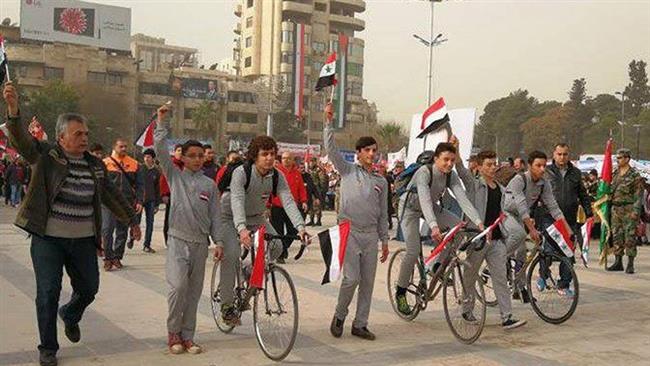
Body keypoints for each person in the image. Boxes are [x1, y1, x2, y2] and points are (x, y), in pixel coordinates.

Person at [3, 82, 141, 366]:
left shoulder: (95, 165)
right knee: (48, 291)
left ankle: (71, 314)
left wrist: (132, 220)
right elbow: (20, 141)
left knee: (89, 288)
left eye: (86, 134)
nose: (84, 138)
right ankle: (48, 348)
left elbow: (110, 195)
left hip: (83, 241)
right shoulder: (46, 157)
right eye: (78, 134)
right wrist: (14, 110)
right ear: (61, 137)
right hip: (48, 239)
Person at [218, 136, 308, 325]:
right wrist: (241, 230)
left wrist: (301, 227)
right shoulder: (242, 173)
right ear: (255, 156)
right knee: (232, 254)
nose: (269, 158)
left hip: (257, 217)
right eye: (264, 154)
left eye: (272, 154)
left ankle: (247, 273)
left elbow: (288, 201)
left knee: (276, 247)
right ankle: (227, 306)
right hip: (230, 217)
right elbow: (236, 200)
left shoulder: (276, 175)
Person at [154, 104, 222, 355]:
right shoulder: (175, 176)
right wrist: (162, 123)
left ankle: (188, 336)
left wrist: (220, 243)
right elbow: (160, 151)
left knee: (193, 293)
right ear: (182, 157)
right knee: (178, 288)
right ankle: (173, 332)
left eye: (200, 155)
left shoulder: (210, 185)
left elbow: (215, 216)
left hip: (200, 244)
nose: (196, 159)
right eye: (191, 155)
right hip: (177, 240)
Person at [394, 141, 483, 317]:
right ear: (436, 159)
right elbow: (425, 199)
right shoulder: (424, 172)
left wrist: (479, 223)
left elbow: (463, 200)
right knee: (412, 252)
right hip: (410, 208)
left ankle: (436, 266)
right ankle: (401, 292)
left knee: (458, 228)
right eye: (445, 160)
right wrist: (434, 226)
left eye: (452, 160)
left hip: (431, 207)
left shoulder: (451, 175)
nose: (449, 164)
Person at [324, 103, 389, 341]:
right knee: (351, 279)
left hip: (371, 235)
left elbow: (383, 212)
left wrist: (384, 241)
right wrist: (328, 123)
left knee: (368, 283)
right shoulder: (347, 170)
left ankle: (360, 324)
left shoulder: (381, 181)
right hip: (349, 231)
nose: (372, 154)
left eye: (375, 151)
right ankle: (340, 315)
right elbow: (330, 149)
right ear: (358, 152)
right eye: (368, 150)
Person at [455, 145, 527, 330]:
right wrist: (456, 152)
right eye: (488, 164)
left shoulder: (501, 189)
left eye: (494, 164)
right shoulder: (474, 185)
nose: (492, 168)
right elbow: (462, 171)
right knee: (470, 276)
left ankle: (507, 316)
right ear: (478, 167)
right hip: (478, 239)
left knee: (500, 278)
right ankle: (467, 310)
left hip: (496, 240)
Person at [502, 151, 571, 300]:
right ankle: (496, 261)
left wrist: (567, 228)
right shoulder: (519, 180)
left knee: (521, 254)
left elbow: (553, 206)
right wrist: (532, 229)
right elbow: (520, 205)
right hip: (507, 213)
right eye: (538, 165)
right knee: (520, 234)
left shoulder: (543, 183)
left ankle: (519, 289)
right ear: (529, 166)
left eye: (544, 166)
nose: (541, 169)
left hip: (522, 216)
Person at [543, 143, 593, 284]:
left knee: (568, 253)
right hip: (550, 217)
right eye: (559, 154)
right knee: (547, 250)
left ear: (568, 155)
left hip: (569, 219)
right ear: (554, 154)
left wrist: (589, 213)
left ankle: (564, 283)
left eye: (565, 154)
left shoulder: (576, 173)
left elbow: (583, 195)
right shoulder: (546, 172)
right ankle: (543, 275)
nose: (562, 157)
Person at [102, 139, 144, 271]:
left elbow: (140, 186)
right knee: (107, 229)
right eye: (121, 146)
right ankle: (107, 258)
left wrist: (139, 201)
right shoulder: (105, 163)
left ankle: (117, 257)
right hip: (108, 203)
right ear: (114, 147)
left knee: (122, 231)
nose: (124, 149)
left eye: (126, 147)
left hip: (126, 202)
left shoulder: (134, 164)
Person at [607, 148, 643, 274]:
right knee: (617, 235)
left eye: (621, 158)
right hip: (616, 209)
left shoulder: (635, 175)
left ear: (627, 159)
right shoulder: (615, 173)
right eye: (617, 158)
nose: (618, 160)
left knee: (630, 236)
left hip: (629, 209)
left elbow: (639, 195)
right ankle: (618, 262)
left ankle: (630, 263)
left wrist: (636, 211)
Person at [270, 151, 308, 263]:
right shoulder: (276, 172)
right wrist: (267, 205)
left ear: (292, 160)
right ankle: (280, 255)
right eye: (284, 158)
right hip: (277, 206)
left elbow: (301, 188)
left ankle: (283, 248)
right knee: (278, 231)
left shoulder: (297, 173)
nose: (286, 160)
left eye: (288, 158)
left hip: (291, 206)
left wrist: (304, 201)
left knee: (293, 230)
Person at [160, 144, 184, 245]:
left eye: (182, 151)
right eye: (178, 150)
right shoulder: (170, 164)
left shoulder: (186, 166)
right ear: (174, 152)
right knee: (170, 217)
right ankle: (168, 239)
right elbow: (163, 179)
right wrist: (164, 194)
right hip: (171, 195)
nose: (180, 153)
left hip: (183, 195)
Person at [142, 149, 162, 253]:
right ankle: (132, 237)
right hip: (140, 200)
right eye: (145, 156)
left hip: (151, 200)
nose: (146, 158)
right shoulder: (139, 169)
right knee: (135, 221)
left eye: (148, 156)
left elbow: (158, 189)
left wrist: (157, 204)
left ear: (152, 158)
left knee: (150, 223)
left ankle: (147, 244)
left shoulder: (156, 172)